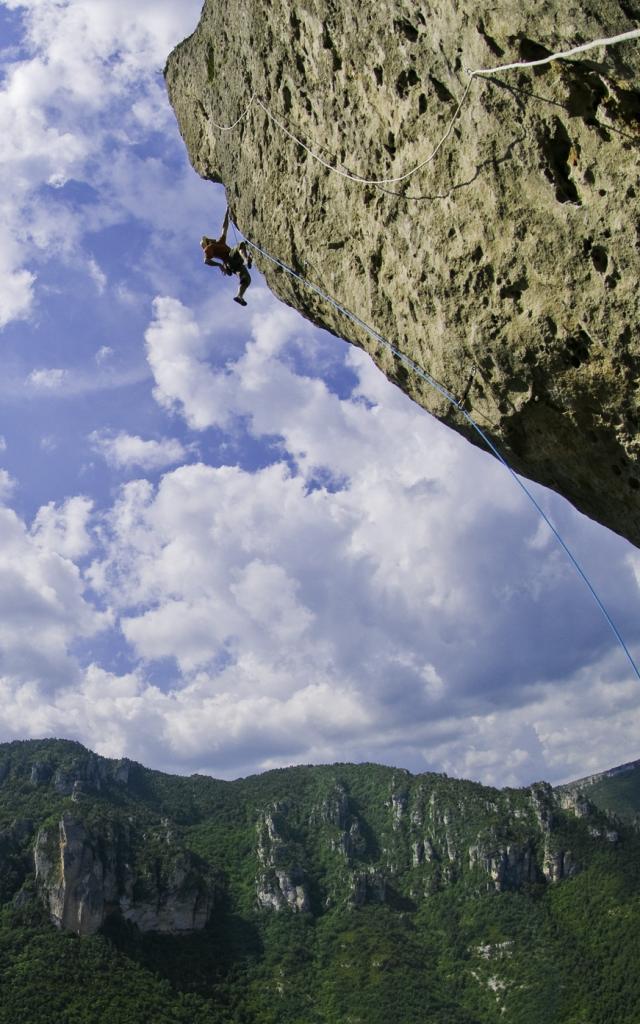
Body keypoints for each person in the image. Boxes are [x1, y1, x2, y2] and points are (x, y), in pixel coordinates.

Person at [200, 208, 252, 306]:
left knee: (246, 279)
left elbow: (224, 228)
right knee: (240, 245)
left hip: (232, 266)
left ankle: (239, 296)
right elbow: (206, 261)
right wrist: (219, 265)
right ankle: (245, 259)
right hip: (229, 259)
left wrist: (227, 212)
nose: (210, 238)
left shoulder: (220, 242)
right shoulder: (208, 247)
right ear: (207, 242)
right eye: (208, 239)